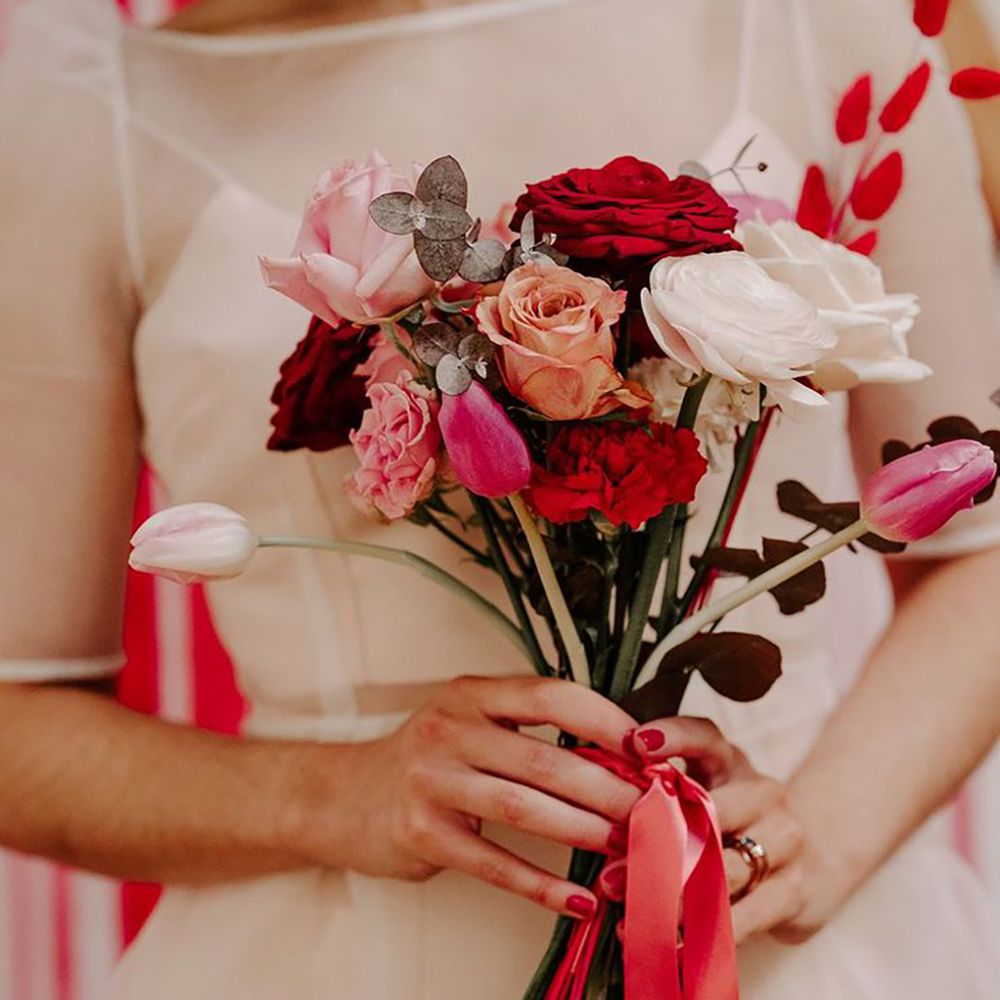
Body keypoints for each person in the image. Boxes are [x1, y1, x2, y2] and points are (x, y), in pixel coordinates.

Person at [1, 0, 999, 996]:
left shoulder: (822, 24)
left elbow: (982, 547)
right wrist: (330, 794)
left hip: (798, 954)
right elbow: (21, 710)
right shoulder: (90, 120)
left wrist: (817, 835)